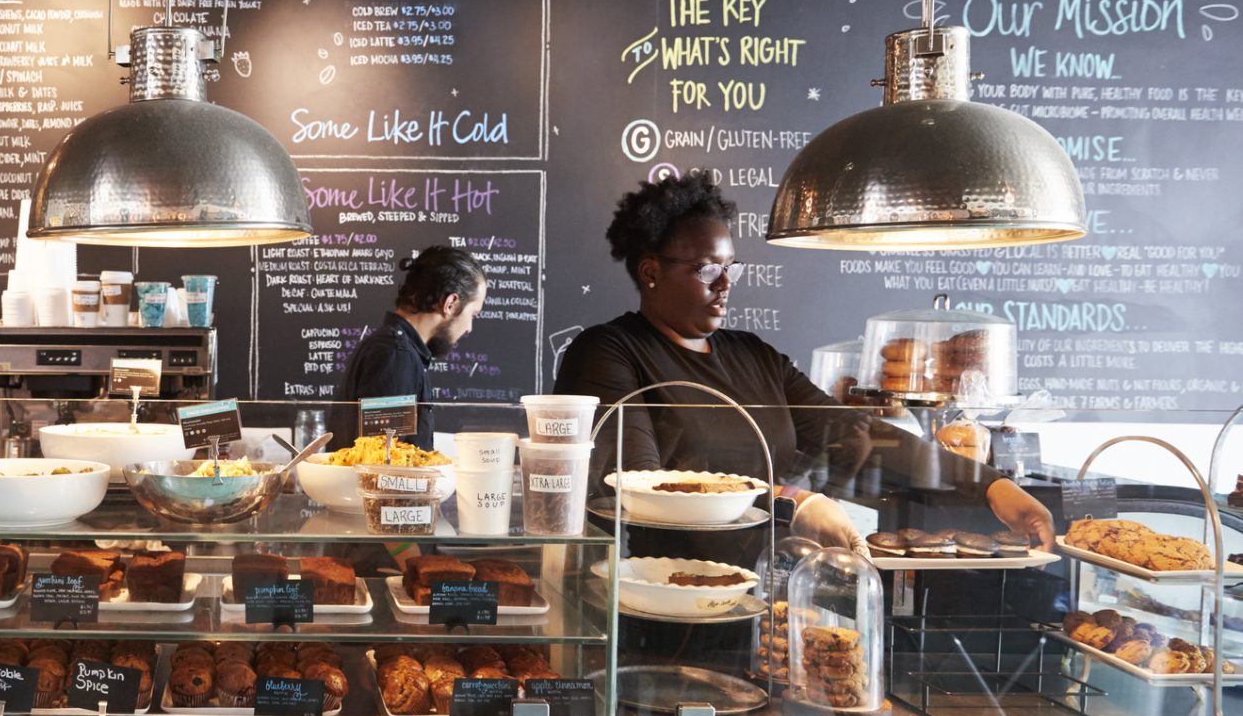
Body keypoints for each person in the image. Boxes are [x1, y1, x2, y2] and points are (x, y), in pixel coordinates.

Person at [553, 173, 1055, 554]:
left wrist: (991, 485)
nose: (725, 283)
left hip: (753, 596)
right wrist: (792, 502)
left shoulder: (754, 356)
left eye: (731, 268)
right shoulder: (607, 353)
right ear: (650, 271)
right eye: (708, 269)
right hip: (647, 599)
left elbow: (856, 437)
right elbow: (640, 486)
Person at [329, 244, 486, 452]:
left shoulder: (393, 348)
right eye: (472, 315)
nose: (469, 329)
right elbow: (383, 461)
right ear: (450, 304)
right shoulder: (397, 355)